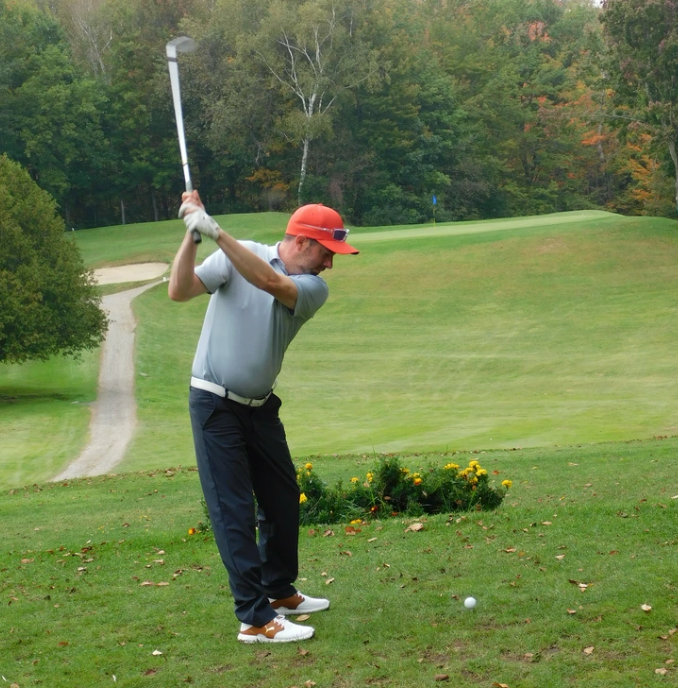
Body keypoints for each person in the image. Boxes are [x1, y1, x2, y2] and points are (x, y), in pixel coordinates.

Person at [168, 190, 359, 643]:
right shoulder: (239, 254)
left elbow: (270, 283)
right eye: (327, 252)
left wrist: (215, 231)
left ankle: (278, 590)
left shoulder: (312, 288)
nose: (330, 263)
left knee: (281, 497)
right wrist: (194, 236)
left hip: (260, 407)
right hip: (214, 405)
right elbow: (179, 290)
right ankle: (254, 618)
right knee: (232, 509)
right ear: (303, 242)